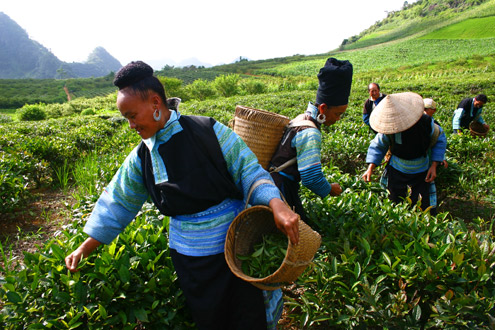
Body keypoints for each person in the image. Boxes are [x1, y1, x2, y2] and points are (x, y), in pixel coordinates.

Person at [65, 61, 300, 330]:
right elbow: (118, 203)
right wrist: (84, 248)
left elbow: (249, 172)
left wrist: (277, 204)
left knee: (249, 316)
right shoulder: (141, 157)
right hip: (191, 261)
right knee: (213, 320)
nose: (130, 125)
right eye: (126, 118)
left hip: (237, 249)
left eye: (132, 116)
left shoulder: (208, 131)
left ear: (155, 103)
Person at [269, 58, 353, 221]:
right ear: (323, 108)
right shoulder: (310, 132)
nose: (338, 119)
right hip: (281, 189)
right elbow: (311, 177)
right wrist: (330, 189)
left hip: (273, 184)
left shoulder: (302, 118)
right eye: (338, 114)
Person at [362, 92, 447, 215]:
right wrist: (370, 167)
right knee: (395, 204)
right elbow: (378, 145)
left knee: (422, 207)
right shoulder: (391, 125)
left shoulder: (425, 122)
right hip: (397, 170)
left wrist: (434, 165)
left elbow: (439, 139)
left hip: (421, 170)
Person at [423, 97, 448, 214]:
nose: (425, 111)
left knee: (427, 187)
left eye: (428, 109)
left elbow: (439, 145)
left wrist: (438, 160)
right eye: (423, 109)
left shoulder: (436, 126)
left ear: (434, 110)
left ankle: (430, 212)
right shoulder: (412, 122)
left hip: (426, 162)